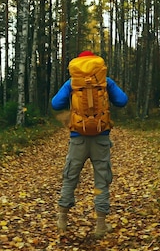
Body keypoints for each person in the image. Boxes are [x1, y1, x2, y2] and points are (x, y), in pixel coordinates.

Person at [51, 50, 128, 237]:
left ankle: (62, 219)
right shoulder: (105, 81)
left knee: (71, 176)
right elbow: (122, 101)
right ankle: (100, 225)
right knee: (101, 179)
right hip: (101, 137)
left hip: (78, 137)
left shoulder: (73, 82)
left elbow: (55, 103)